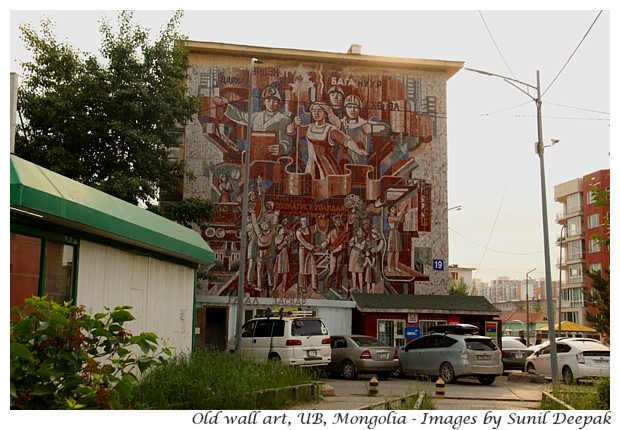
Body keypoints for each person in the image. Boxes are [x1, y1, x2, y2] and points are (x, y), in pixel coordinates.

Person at [286, 102, 367, 180]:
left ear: (325, 113)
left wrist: (357, 149)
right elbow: (290, 132)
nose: (316, 113)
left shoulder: (330, 130)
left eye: (319, 111)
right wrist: (294, 125)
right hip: (311, 165)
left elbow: (346, 140)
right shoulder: (309, 128)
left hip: (326, 165)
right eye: (314, 111)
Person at [213, 85, 294, 157]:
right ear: (264, 102)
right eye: (268, 100)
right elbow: (241, 117)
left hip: (274, 159)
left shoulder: (284, 119)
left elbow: (287, 143)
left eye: (275, 101)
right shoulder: (257, 116)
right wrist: (225, 106)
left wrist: (281, 148)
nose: (271, 103)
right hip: (256, 157)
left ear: (279, 103)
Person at [341, 94, 390, 164]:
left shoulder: (364, 123)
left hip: (363, 161)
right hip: (344, 161)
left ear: (359, 109)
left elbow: (386, 128)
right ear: (345, 108)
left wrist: (372, 128)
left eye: (355, 107)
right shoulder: (340, 124)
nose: (352, 110)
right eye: (349, 107)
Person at [386, 204, 408, 273]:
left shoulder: (396, 216)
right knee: (391, 251)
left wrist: (403, 214)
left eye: (394, 208)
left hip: (397, 233)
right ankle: (389, 267)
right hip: (392, 234)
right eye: (392, 209)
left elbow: (401, 220)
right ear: (390, 211)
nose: (394, 210)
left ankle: (396, 266)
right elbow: (398, 219)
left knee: (397, 251)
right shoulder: (390, 217)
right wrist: (402, 212)